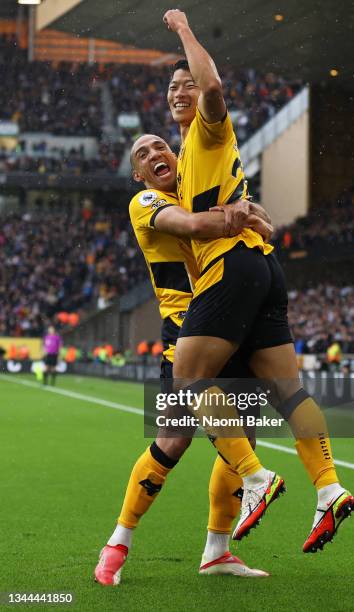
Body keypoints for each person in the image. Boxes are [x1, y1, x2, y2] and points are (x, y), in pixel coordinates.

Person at [163, 8, 354, 552]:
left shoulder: (207, 127)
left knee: (188, 378)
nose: (181, 91)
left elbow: (215, 84)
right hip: (262, 267)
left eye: (185, 84)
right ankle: (329, 488)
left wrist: (182, 28)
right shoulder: (188, 155)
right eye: (172, 87)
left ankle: (254, 477)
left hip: (231, 266)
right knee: (289, 391)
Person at [95, 135, 273, 585]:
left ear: (176, 154)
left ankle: (217, 551)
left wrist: (245, 213)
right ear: (137, 174)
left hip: (233, 323)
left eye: (160, 147)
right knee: (174, 439)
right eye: (143, 154)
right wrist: (234, 216)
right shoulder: (146, 200)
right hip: (187, 329)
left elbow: (265, 226)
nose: (155, 155)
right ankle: (117, 543)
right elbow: (193, 227)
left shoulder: (198, 186)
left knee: (244, 436)